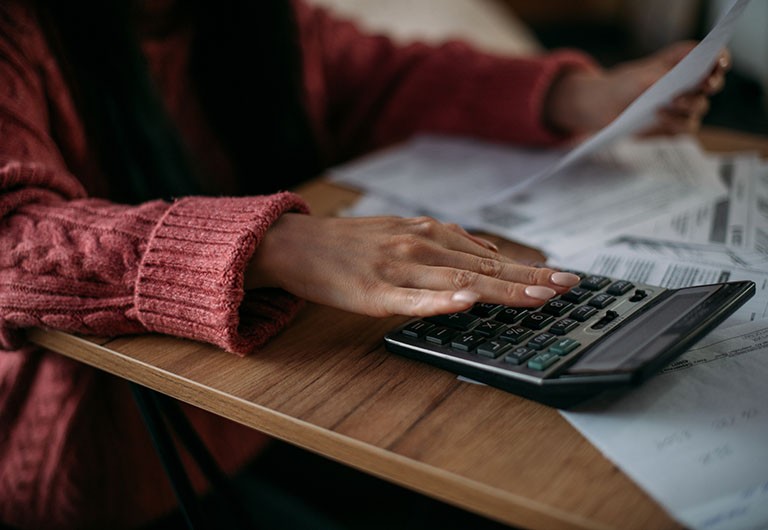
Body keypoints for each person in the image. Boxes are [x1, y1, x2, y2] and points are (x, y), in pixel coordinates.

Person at [0, 0, 729, 528]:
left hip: (294, 389)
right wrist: (275, 245)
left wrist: (580, 95)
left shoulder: (252, 19)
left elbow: (381, 76)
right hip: (118, 458)